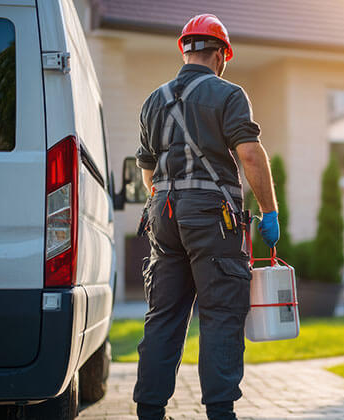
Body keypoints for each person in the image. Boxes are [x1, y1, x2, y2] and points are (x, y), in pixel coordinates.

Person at [132, 14, 280, 420]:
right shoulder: (229, 95)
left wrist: (169, 201)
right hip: (213, 218)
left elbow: (147, 170)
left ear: (185, 50)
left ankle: (149, 410)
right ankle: (220, 413)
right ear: (221, 54)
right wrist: (270, 212)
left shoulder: (152, 100)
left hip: (162, 213)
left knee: (164, 315)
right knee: (220, 313)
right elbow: (250, 154)